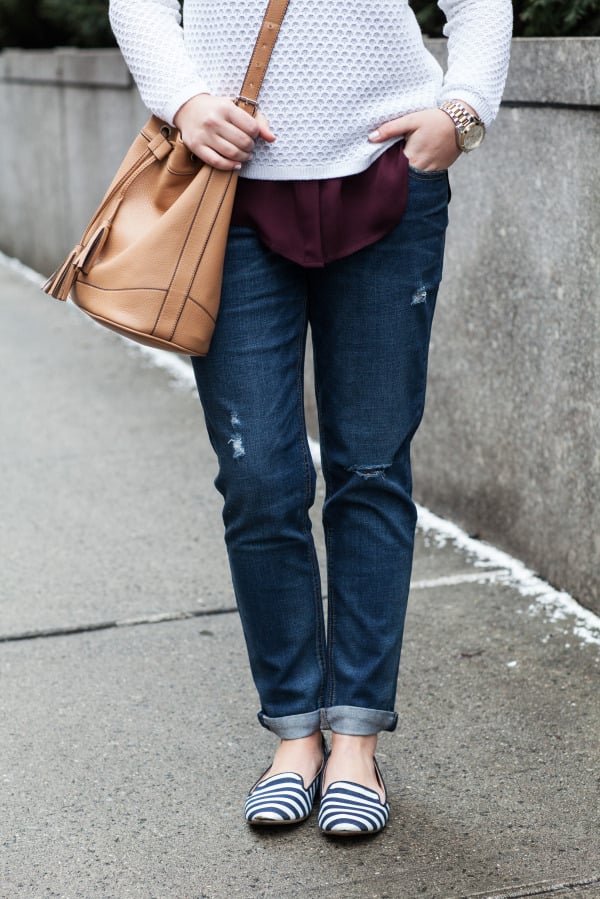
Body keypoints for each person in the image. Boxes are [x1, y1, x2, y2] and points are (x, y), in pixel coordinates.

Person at [109, 0, 512, 835]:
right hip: (230, 188)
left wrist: (462, 110)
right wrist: (184, 98)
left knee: (369, 466)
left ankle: (355, 737)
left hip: (390, 174)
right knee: (259, 478)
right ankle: (293, 734)